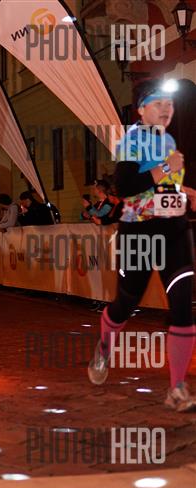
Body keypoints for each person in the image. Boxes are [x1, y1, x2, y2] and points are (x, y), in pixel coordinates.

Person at [88, 86, 196, 412]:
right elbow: (126, 186)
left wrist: (185, 191)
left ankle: (177, 388)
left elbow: (160, 186)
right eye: (158, 103)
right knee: (126, 303)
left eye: (170, 104)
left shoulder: (168, 141)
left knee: (183, 306)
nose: (166, 109)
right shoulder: (132, 141)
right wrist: (166, 169)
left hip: (175, 232)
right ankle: (104, 348)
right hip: (140, 236)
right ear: (141, 110)